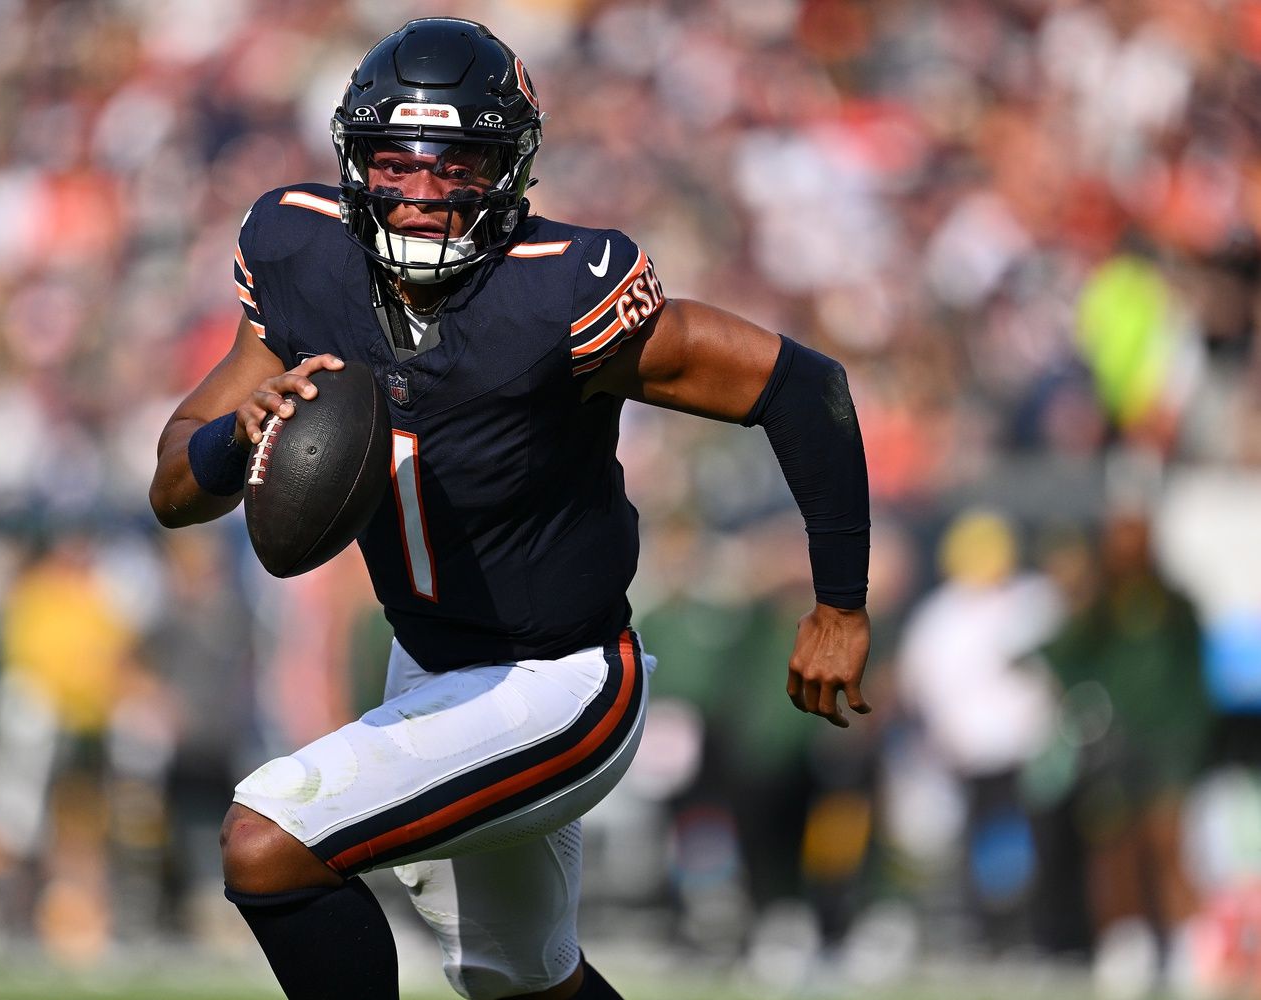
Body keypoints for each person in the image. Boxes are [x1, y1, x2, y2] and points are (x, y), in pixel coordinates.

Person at [149, 18, 872, 1000]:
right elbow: (173, 489)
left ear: (511, 170)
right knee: (522, 986)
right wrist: (238, 438)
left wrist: (839, 603)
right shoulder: (298, 252)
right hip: (430, 666)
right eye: (397, 164)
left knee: (268, 837)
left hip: (563, 682)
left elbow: (804, 387)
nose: (423, 195)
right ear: (355, 163)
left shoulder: (560, 296)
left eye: (459, 167)